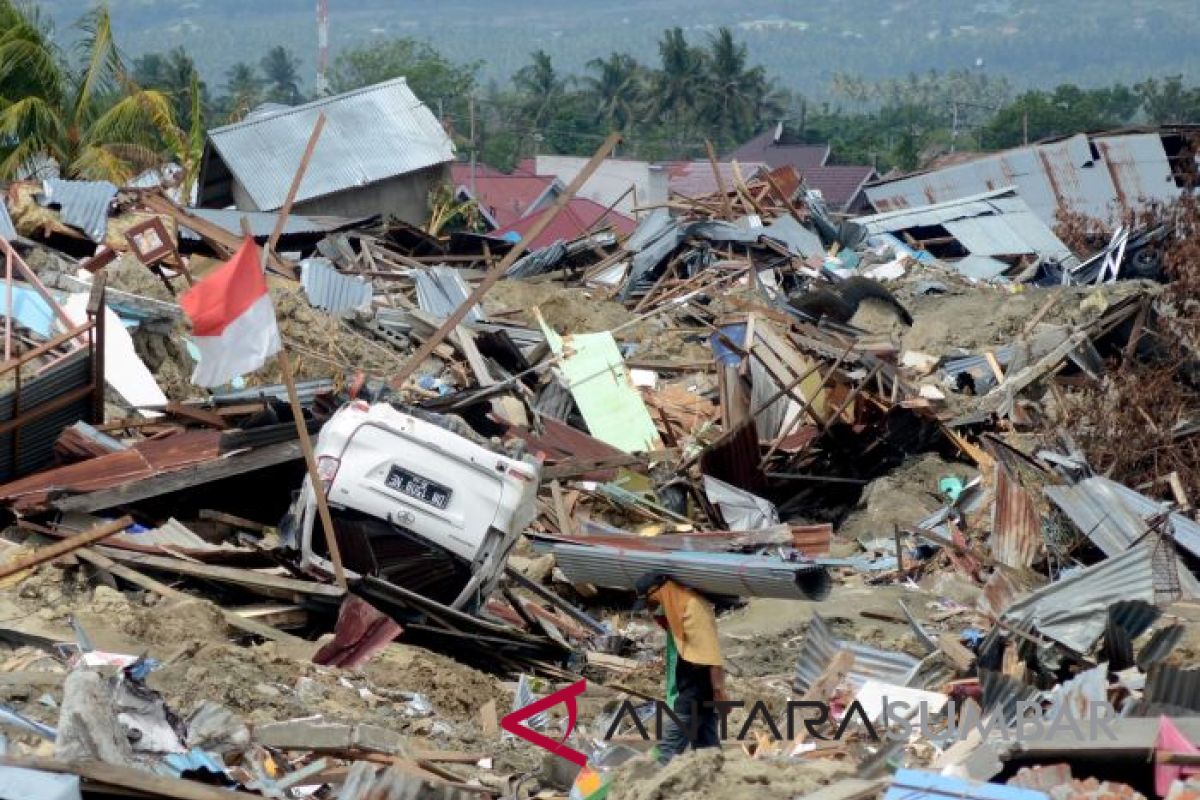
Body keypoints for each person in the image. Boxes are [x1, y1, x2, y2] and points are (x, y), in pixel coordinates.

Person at [634, 572, 725, 762]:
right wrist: (660, 617)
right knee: (707, 751)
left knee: (668, 749)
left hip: (696, 690)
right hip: (696, 689)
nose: (651, 609)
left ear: (658, 592)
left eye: (651, 602)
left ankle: (655, 788)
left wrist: (719, 691)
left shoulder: (693, 606)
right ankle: (714, 784)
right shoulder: (679, 606)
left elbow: (711, 652)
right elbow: (682, 638)